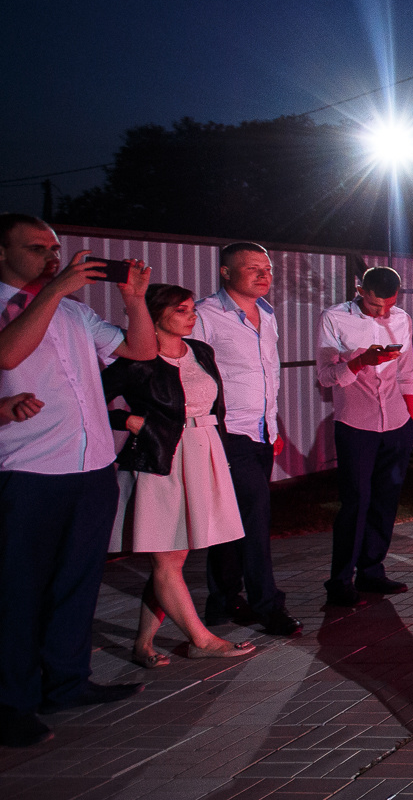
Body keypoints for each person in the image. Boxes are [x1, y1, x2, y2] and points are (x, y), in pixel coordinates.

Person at [0, 215, 154, 747]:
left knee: (77, 580)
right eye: (37, 247)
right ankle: (10, 702)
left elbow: (142, 351)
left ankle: (66, 682)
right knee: (18, 591)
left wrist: (135, 300)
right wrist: (57, 287)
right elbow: (8, 354)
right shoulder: (15, 307)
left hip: (90, 467)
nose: (50, 256)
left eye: (55, 248)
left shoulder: (74, 312)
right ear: (2, 253)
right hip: (28, 470)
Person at [106, 283, 255, 666]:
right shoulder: (135, 359)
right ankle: (200, 639)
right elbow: (89, 399)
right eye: (182, 310)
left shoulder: (200, 351)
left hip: (203, 450)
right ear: (155, 316)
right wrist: (129, 420)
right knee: (167, 560)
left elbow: (213, 403)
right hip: (162, 457)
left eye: (192, 309)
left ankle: (142, 645)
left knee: (174, 558)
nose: (193, 316)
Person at [194, 241, 300, 637]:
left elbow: (267, 376)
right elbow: (192, 370)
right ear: (225, 272)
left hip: (259, 432)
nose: (263, 275)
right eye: (253, 268)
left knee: (233, 519)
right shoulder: (206, 315)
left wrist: (271, 428)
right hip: (226, 431)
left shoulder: (267, 315)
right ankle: (266, 605)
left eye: (267, 269)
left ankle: (222, 601)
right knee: (255, 519)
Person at [315, 266, 413, 608]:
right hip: (356, 424)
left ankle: (372, 570)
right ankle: (340, 580)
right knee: (355, 501)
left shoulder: (401, 318)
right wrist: (361, 361)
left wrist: (410, 419)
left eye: (388, 305)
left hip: (397, 423)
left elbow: (406, 372)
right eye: (375, 306)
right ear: (360, 289)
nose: (382, 313)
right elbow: (327, 377)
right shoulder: (334, 318)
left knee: (386, 500)